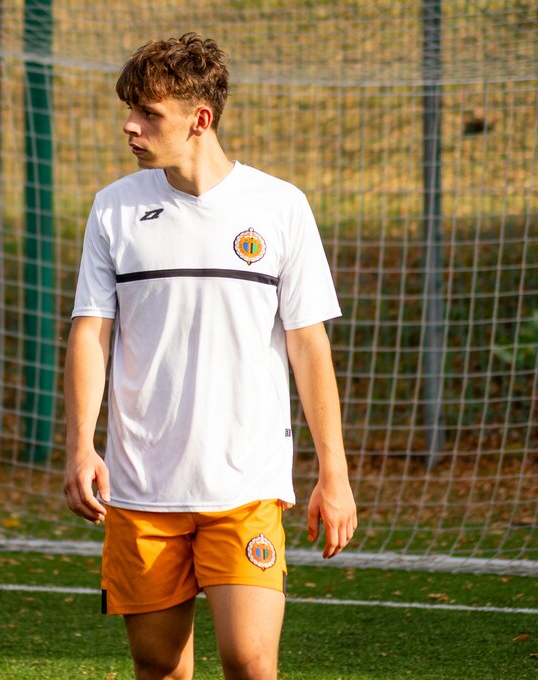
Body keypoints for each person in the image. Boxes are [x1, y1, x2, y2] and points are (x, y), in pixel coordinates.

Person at [63, 34, 357, 679]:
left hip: (245, 484)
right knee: (159, 667)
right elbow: (90, 332)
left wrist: (333, 473)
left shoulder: (280, 206)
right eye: (129, 110)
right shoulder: (114, 208)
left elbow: (309, 344)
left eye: (148, 113)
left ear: (200, 118)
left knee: (249, 662)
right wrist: (81, 446)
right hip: (141, 485)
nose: (130, 125)